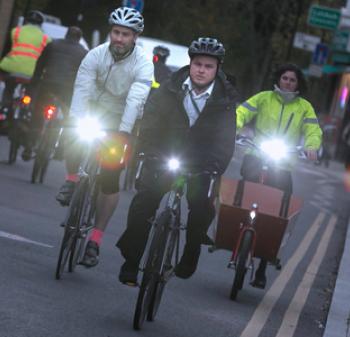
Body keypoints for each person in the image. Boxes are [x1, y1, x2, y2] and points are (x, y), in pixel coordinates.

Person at [116, 37, 237, 285]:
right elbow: (150, 120)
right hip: (164, 155)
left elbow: (226, 139)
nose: (202, 70)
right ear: (190, 64)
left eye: (209, 66)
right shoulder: (170, 87)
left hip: (200, 163)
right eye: (198, 64)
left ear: (218, 69)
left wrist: (214, 166)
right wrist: (146, 150)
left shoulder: (224, 100)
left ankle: (191, 250)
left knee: (202, 207)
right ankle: (131, 261)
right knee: (144, 202)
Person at [55, 7, 154, 268]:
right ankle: (71, 179)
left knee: (110, 179)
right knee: (74, 135)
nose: (119, 38)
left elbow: (135, 100)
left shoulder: (143, 63)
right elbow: (82, 88)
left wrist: (122, 134)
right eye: (116, 32)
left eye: (126, 34)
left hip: (124, 118)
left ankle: (95, 240)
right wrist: (75, 120)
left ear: (135, 37)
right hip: (95, 110)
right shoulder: (95, 55)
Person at [236, 63, 322, 289]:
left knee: (280, 212)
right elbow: (242, 111)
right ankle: (238, 228)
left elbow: (313, 130)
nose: (288, 82)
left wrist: (312, 146)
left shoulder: (305, 107)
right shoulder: (264, 98)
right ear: (278, 79)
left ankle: (263, 268)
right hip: (256, 153)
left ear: (298, 84)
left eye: (292, 80)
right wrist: (234, 127)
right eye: (285, 78)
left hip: (282, 163)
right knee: (242, 194)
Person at [22, 26, 87, 160]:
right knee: (70, 118)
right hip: (67, 89)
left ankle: (29, 145)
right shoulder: (83, 53)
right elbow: (85, 76)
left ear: (66, 35)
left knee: (38, 112)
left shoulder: (52, 45)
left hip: (48, 84)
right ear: (79, 39)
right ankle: (61, 148)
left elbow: (40, 65)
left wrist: (33, 84)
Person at [0, 10, 51, 108]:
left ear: (26, 21)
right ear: (41, 24)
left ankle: (4, 108)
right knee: (32, 90)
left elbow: (8, 48)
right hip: (32, 72)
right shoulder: (46, 38)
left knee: (9, 87)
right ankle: (27, 108)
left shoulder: (16, 31)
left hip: (12, 68)